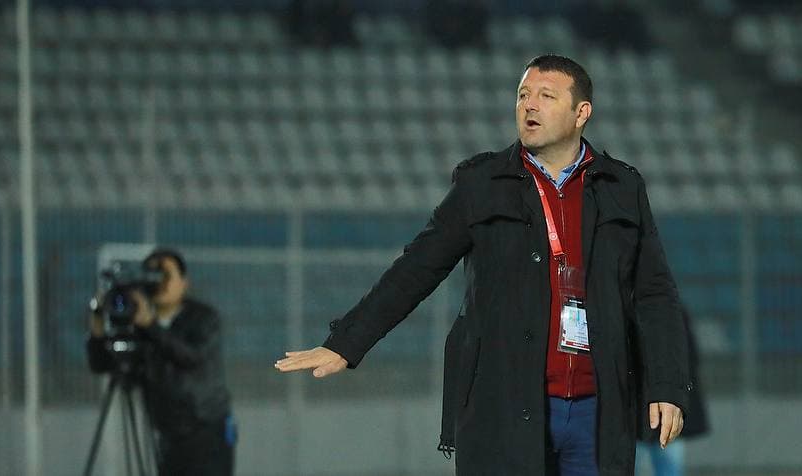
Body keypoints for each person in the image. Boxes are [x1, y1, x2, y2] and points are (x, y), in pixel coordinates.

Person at [275, 54, 692, 476]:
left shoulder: (622, 187)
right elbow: (416, 267)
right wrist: (347, 342)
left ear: (581, 112)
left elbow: (655, 293)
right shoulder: (482, 184)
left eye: (546, 96)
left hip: (598, 412)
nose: (529, 105)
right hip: (505, 409)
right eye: (523, 95)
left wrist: (668, 384)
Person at [86, 248, 235, 476]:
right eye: (152, 275)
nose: (159, 283)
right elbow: (102, 364)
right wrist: (97, 331)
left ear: (184, 283)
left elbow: (190, 357)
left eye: (166, 275)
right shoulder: (138, 323)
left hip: (205, 434)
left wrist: (150, 325)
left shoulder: (203, 319)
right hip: (167, 436)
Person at [635, 307, 710, 476]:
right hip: (637, 413)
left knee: (667, 468)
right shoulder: (670, 311)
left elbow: (688, 363)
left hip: (665, 410)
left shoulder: (670, 311)